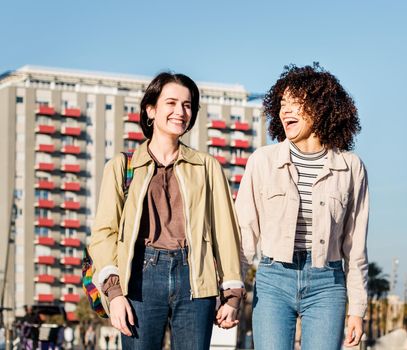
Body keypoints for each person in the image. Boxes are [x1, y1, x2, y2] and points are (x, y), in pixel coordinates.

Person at [89, 71, 244, 349]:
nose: (180, 112)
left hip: (195, 279)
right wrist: (114, 293)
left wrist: (232, 295)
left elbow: (226, 232)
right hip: (138, 278)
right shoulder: (122, 167)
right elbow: (103, 234)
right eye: (171, 103)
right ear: (151, 109)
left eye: (187, 105)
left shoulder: (207, 167)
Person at [236, 63, 369, 350]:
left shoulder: (350, 167)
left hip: (327, 282)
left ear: (322, 108)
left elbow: (355, 246)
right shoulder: (263, 161)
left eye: (295, 103)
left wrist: (357, 308)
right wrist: (233, 289)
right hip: (273, 280)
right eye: (282, 104)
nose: (286, 111)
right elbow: (245, 233)